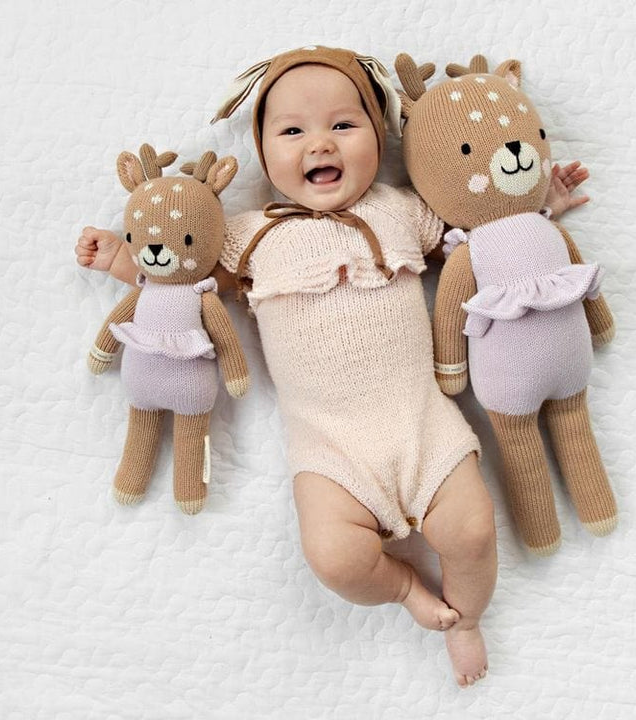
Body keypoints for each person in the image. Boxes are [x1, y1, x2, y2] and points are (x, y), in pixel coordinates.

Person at [76, 46, 589, 687]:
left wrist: (542, 207)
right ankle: (405, 589)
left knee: (473, 532)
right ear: (262, 153)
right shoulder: (249, 233)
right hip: (328, 445)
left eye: (344, 124)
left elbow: (484, 231)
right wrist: (120, 259)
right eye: (292, 131)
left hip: (424, 424)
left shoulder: (403, 209)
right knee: (334, 559)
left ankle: (466, 620)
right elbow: (182, 270)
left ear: (380, 136)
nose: (320, 143)